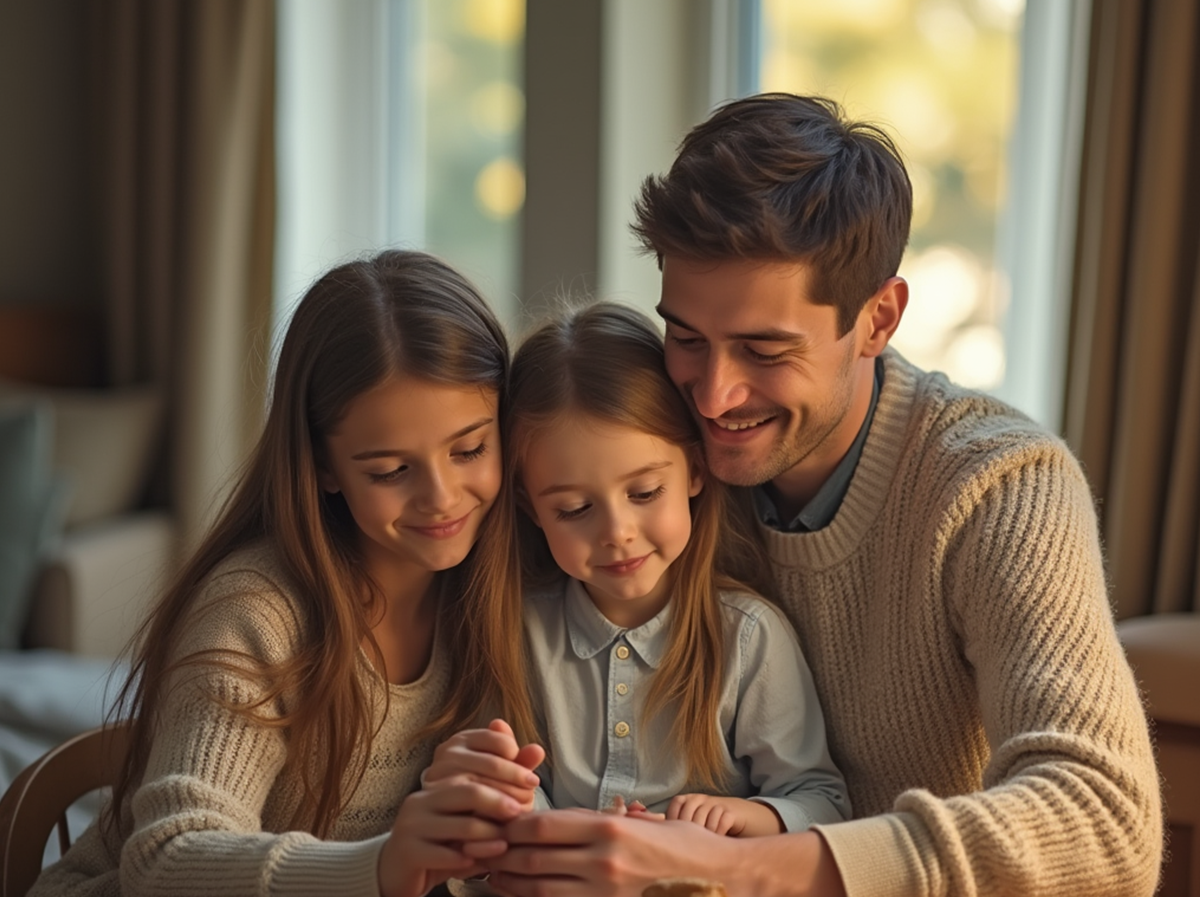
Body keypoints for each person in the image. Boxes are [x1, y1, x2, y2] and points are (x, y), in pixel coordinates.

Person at [483, 94, 1163, 897]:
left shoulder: (1000, 487)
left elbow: (1105, 822)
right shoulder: (649, 464)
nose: (712, 397)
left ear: (878, 318)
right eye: (688, 338)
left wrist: (739, 868)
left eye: (764, 349)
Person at [30, 250, 542, 897]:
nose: (440, 496)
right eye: (389, 470)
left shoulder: (496, 591)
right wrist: (383, 864)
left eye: (469, 448)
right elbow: (164, 859)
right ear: (324, 467)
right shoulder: (258, 611)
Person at [507, 301, 849, 835]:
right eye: (574, 510)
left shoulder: (747, 637)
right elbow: (502, 790)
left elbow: (821, 800)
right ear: (533, 509)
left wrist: (747, 815)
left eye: (644, 492)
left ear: (694, 471)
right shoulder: (518, 632)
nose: (616, 532)